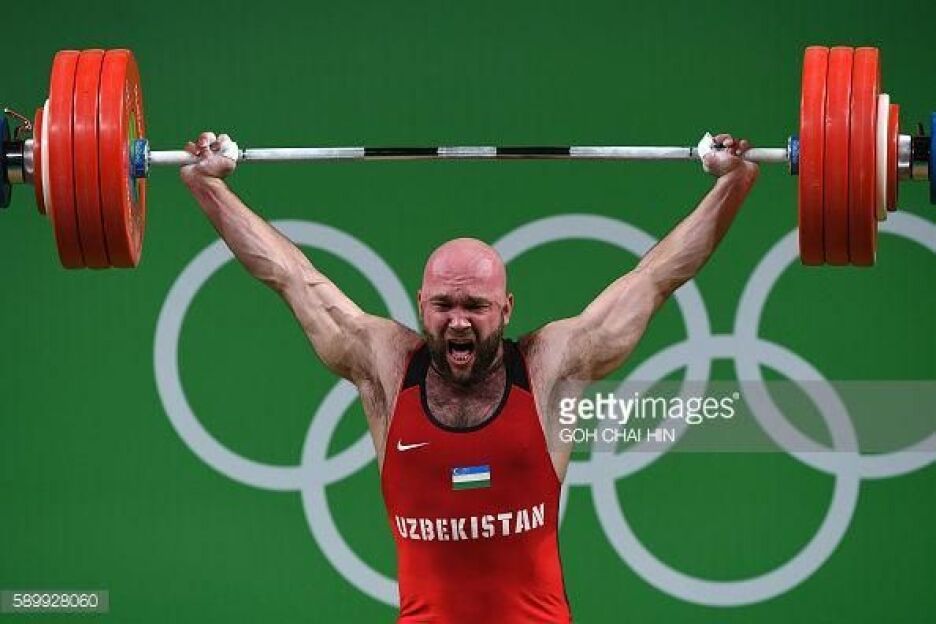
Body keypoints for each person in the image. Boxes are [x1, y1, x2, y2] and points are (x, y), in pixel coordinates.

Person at [181, 131, 759, 623]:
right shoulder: (387, 367)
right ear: (421, 304)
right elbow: (291, 276)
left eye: (475, 306)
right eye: (444, 305)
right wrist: (210, 187)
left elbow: (655, 278)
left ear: (506, 310)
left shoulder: (548, 368)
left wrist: (731, 184)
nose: (458, 321)